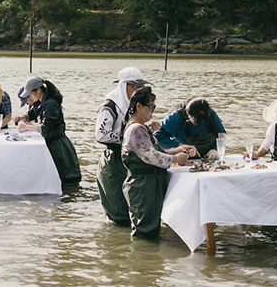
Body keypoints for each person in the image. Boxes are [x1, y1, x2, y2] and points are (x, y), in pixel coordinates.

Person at [121, 85, 190, 239]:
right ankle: (142, 261)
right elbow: (151, 156)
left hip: (148, 184)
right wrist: (176, 159)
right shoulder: (135, 130)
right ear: (139, 107)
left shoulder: (140, 128)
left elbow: (151, 152)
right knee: (145, 232)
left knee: (151, 228)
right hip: (142, 186)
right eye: (151, 107)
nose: (153, 112)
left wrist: (175, 150)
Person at [94, 66, 150, 227]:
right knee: (118, 210)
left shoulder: (132, 105)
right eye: (135, 86)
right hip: (113, 160)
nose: (138, 90)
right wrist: (126, 138)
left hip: (127, 159)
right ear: (124, 85)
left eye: (141, 87)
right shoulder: (110, 105)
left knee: (130, 205)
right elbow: (101, 134)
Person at [22, 78, 81, 187]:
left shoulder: (51, 104)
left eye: (30, 94)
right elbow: (33, 113)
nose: (30, 97)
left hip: (58, 146)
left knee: (65, 177)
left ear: (38, 90)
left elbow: (46, 128)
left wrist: (26, 127)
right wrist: (23, 117)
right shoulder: (40, 102)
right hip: (50, 143)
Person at [155, 97, 227, 157]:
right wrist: (180, 146)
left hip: (209, 156)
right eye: (198, 121)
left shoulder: (210, 113)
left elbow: (221, 134)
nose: (202, 122)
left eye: (204, 120)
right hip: (185, 157)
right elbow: (158, 136)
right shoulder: (175, 118)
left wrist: (215, 149)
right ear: (188, 113)